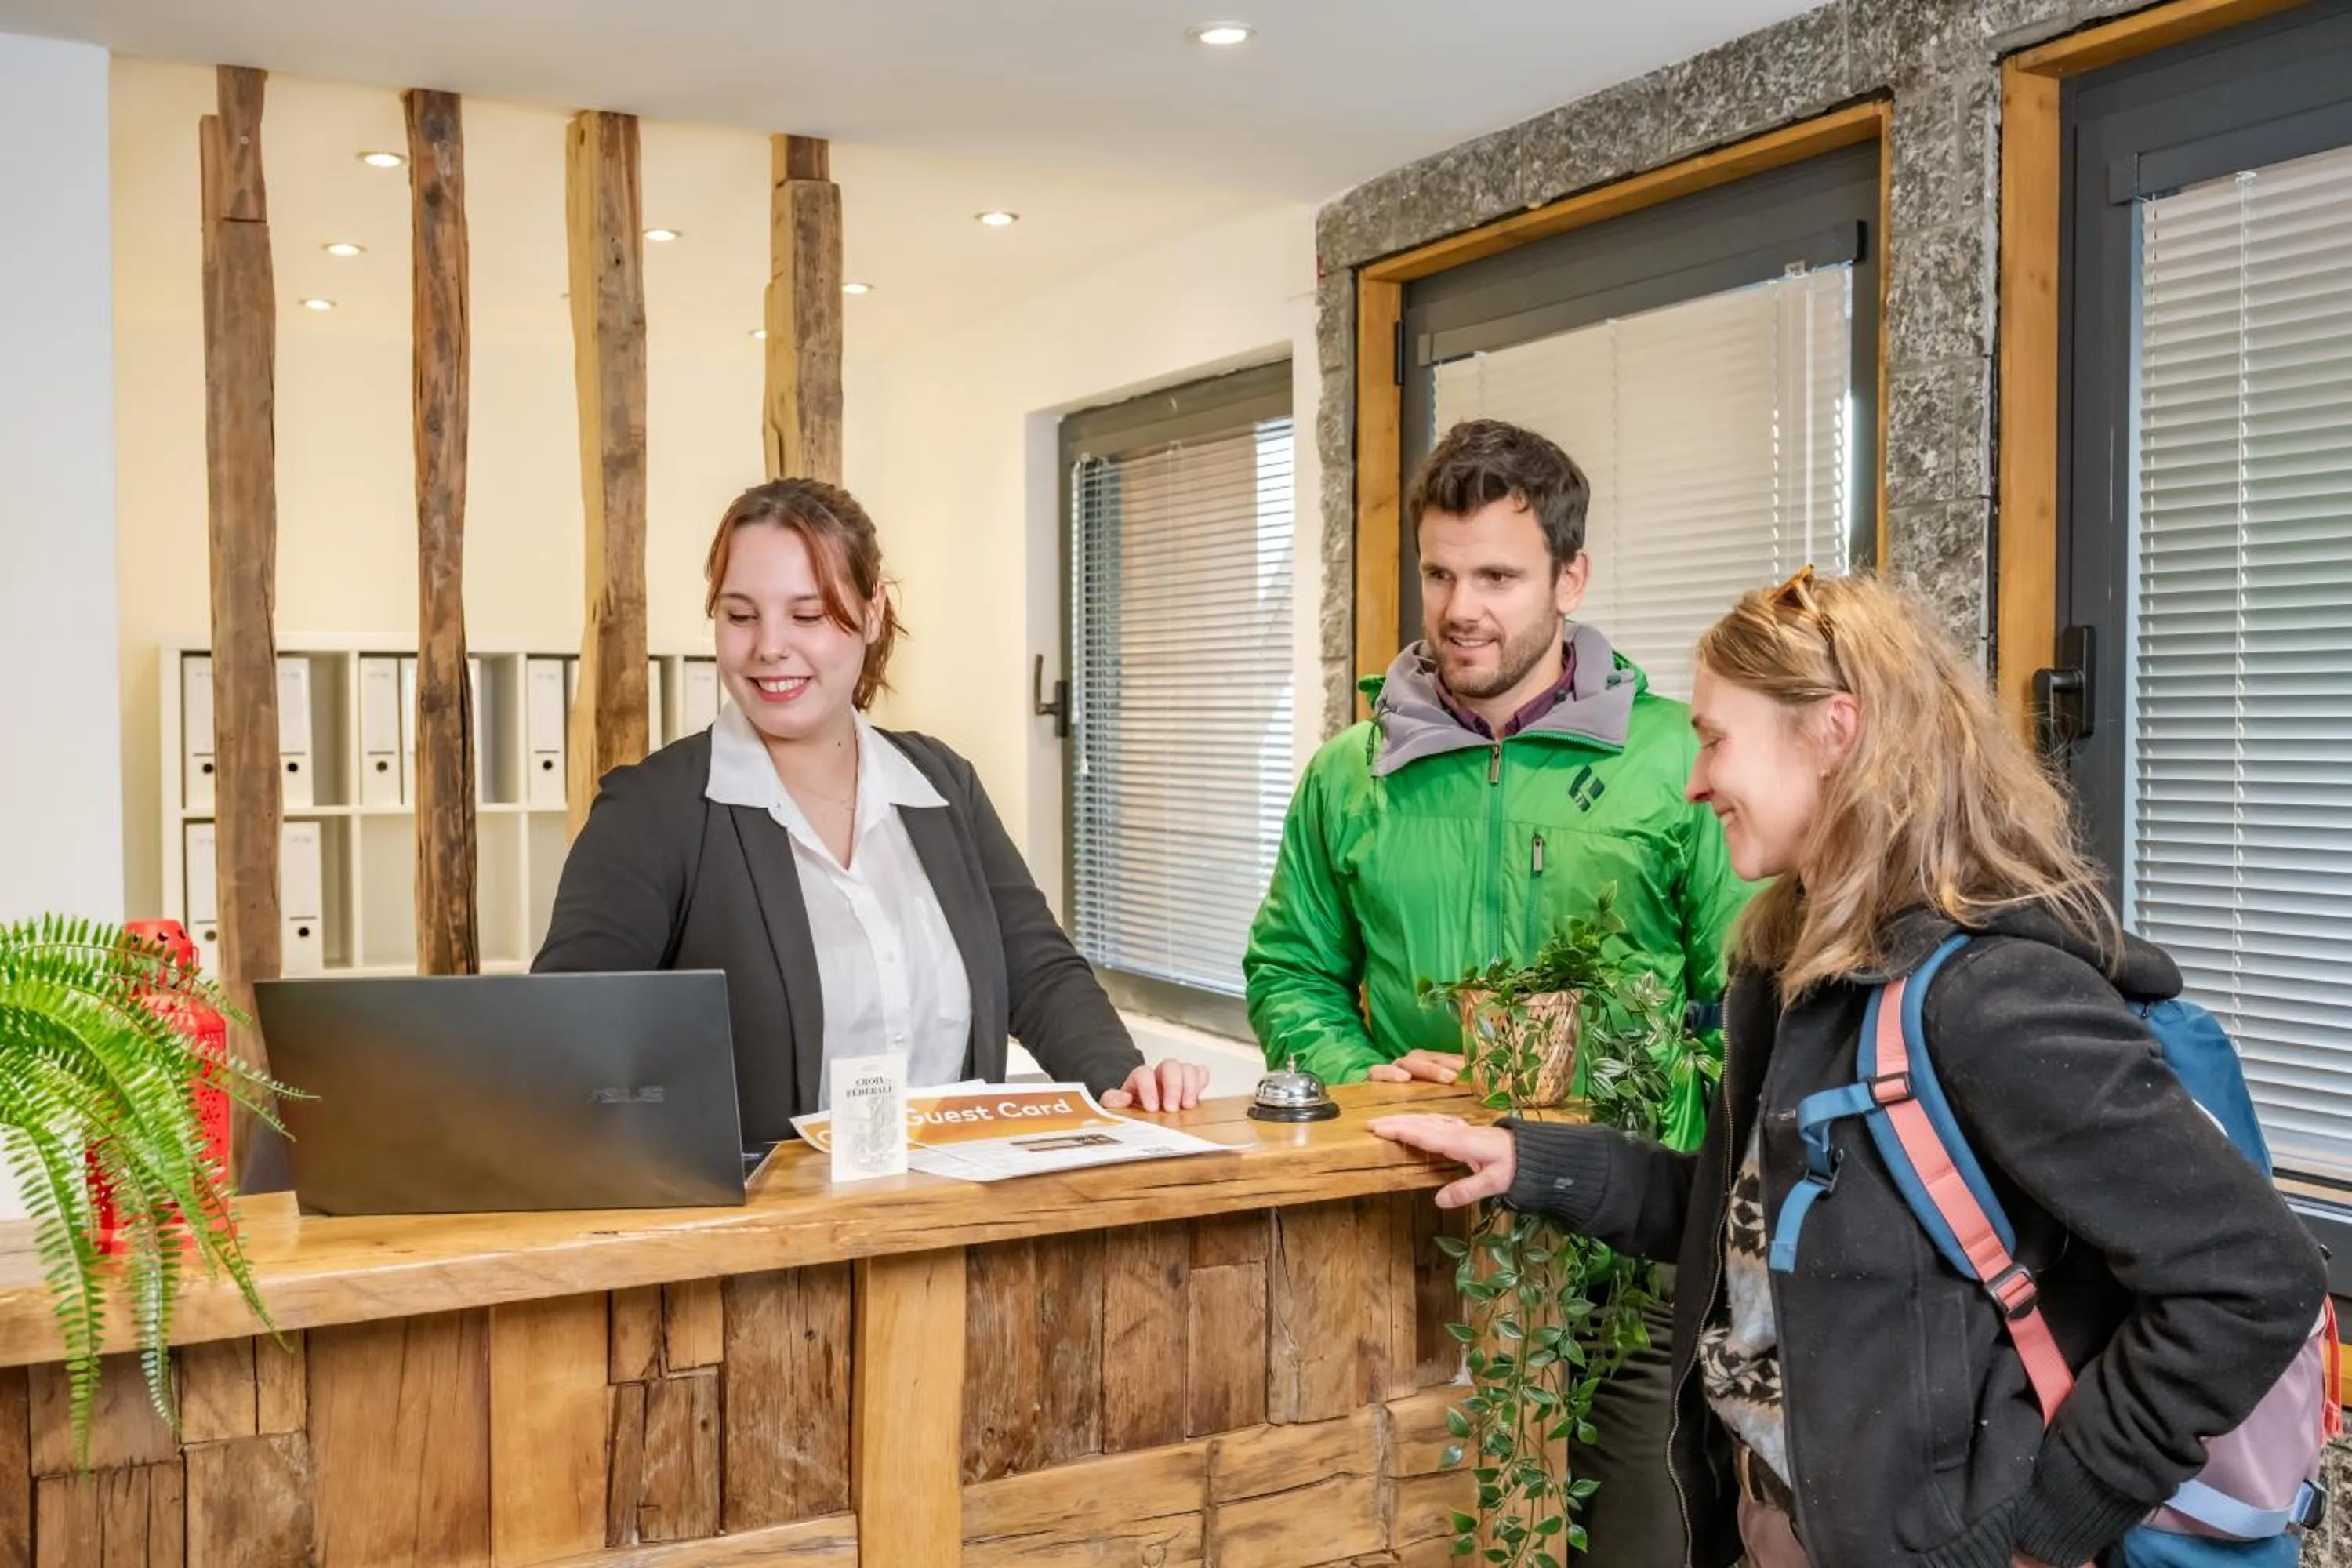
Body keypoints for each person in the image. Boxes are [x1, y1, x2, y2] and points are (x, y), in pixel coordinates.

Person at [1370, 569, 2329, 1568]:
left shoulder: (1990, 997)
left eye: (1714, 737)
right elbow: (1755, 1227)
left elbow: (2255, 1276)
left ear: (1834, 730)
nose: (1695, 782)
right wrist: (1532, 1163)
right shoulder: (1795, 973)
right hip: (1781, 1516)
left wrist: (2043, 1532)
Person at [1243, 419, 1749, 1566]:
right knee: (1414, 1535)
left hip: (1632, 1261)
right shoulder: (1347, 775)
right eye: (1439, 572)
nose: (1461, 606)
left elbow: (1748, 1012)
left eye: (1498, 577)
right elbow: (1290, 968)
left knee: (1641, 1544)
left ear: (1572, 577)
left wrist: (1622, 1110)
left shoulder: (1680, 763)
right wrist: (1359, 1074)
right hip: (1412, 1244)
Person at [535, 477, 1207, 1147]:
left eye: (807, 616)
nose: (770, 646)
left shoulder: (942, 786)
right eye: (741, 616)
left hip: (955, 1223)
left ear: (873, 609)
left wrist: (1125, 1080)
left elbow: (1039, 974)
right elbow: (564, 1047)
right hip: (766, 1239)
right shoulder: (653, 812)